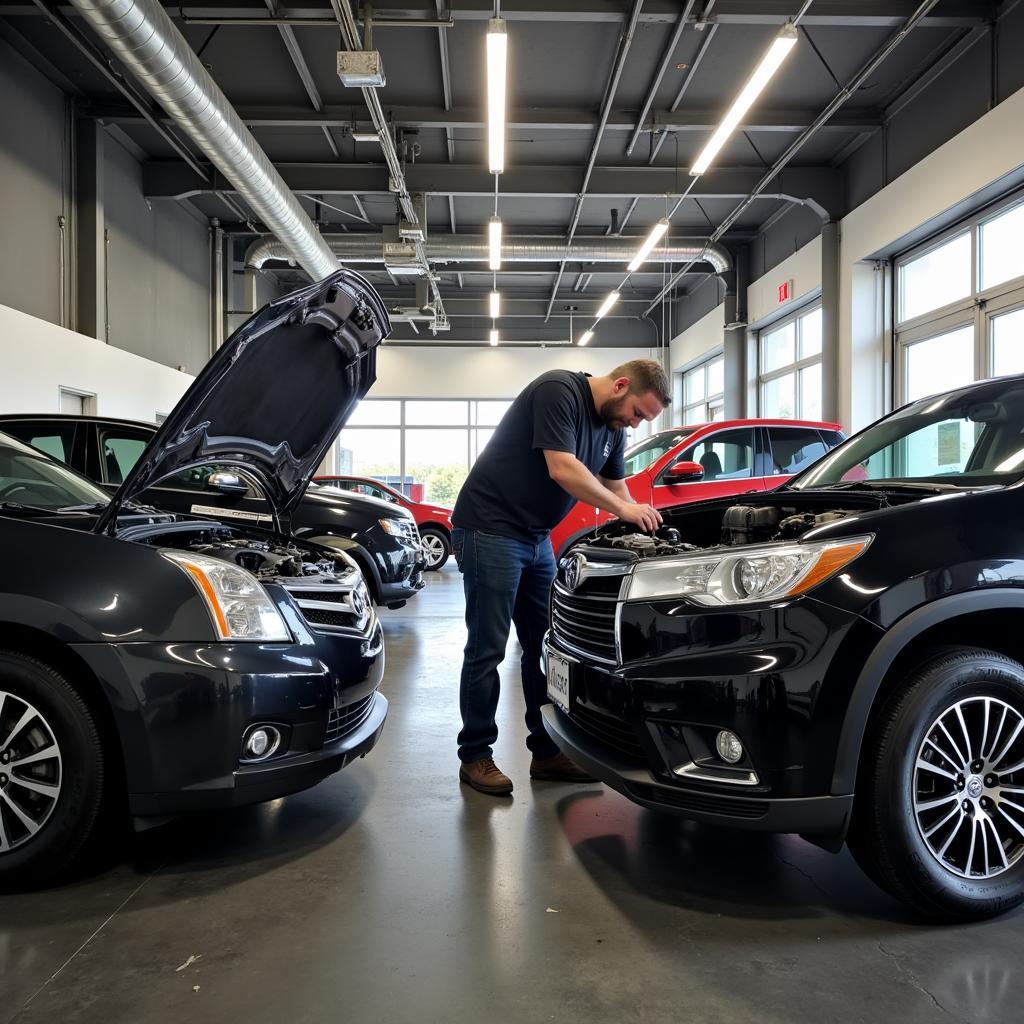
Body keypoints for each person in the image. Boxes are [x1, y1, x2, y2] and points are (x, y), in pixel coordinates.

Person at [450, 359, 670, 795]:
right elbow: (562, 468)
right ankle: (475, 756)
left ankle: (547, 753)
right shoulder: (559, 391)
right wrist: (622, 509)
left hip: (535, 539)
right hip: (489, 528)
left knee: (546, 646)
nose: (636, 423)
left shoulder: (614, 428)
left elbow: (618, 486)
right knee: (487, 649)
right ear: (621, 385)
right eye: (638, 414)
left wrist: (643, 521)